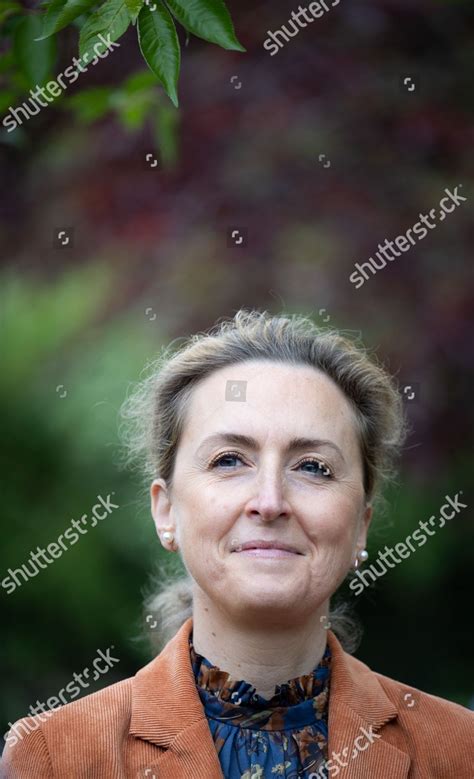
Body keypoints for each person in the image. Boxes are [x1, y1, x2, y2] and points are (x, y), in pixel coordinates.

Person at [3, 309, 473, 778]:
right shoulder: (54, 756)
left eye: (313, 466)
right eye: (229, 460)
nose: (269, 502)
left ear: (361, 525)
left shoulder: (460, 752)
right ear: (165, 511)